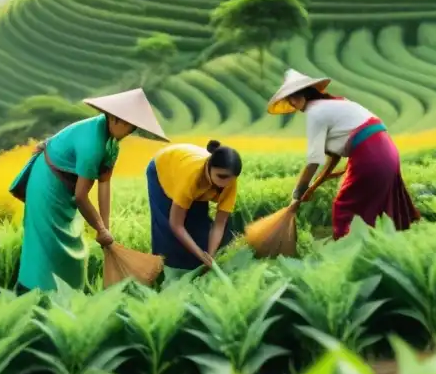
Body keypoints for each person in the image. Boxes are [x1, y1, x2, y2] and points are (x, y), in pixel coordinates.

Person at [9, 88, 168, 292]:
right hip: (46, 181)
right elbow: (81, 196)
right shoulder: (92, 145)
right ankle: (30, 294)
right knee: (46, 243)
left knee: (73, 248)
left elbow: (104, 185)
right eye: (128, 124)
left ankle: (66, 297)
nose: (129, 131)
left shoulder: (112, 145)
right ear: (114, 119)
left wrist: (105, 229)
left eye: (133, 127)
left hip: (66, 185)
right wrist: (99, 229)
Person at [267, 69, 419, 239]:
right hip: (387, 151)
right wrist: (313, 186)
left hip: (370, 155)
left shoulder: (315, 112)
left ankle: (350, 255)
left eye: (293, 98)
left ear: (305, 94)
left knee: (345, 208)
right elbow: (333, 157)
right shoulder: (336, 104)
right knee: (381, 208)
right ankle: (385, 249)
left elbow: (314, 161)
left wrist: (298, 192)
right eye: (289, 100)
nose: (293, 104)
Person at [147, 139, 243, 279]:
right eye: (221, 176)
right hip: (163, 170)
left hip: (194, 180)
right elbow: (176, 224)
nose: (225, 184)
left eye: (230, 179)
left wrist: (209, 255)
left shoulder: (228, 182)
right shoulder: (192, 177)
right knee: (167, 232)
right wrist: (200, 254)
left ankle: (195, 271)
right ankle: (163, 276)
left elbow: (219, 224)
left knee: (199, 228)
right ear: (209, 167)